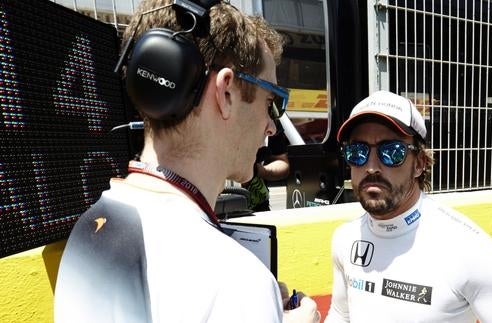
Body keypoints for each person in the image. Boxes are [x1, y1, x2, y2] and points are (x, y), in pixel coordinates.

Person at [54, 1, 318, 322]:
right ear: (226, 93)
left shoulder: (90, 224)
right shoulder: (237, 280)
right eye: (271, 101)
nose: (272, 125)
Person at [325, 90, 492, 322]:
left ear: (419, 164)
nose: (371, 166)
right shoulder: (344, 238)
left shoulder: (472, 251)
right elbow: (341, 314)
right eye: (358, 152)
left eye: (391, 152)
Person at [243, 130, 290, 211]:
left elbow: (282, 163)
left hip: (257, 206)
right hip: (218, 203)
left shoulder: (272, 121)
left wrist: (259, 170)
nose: (272, 127)